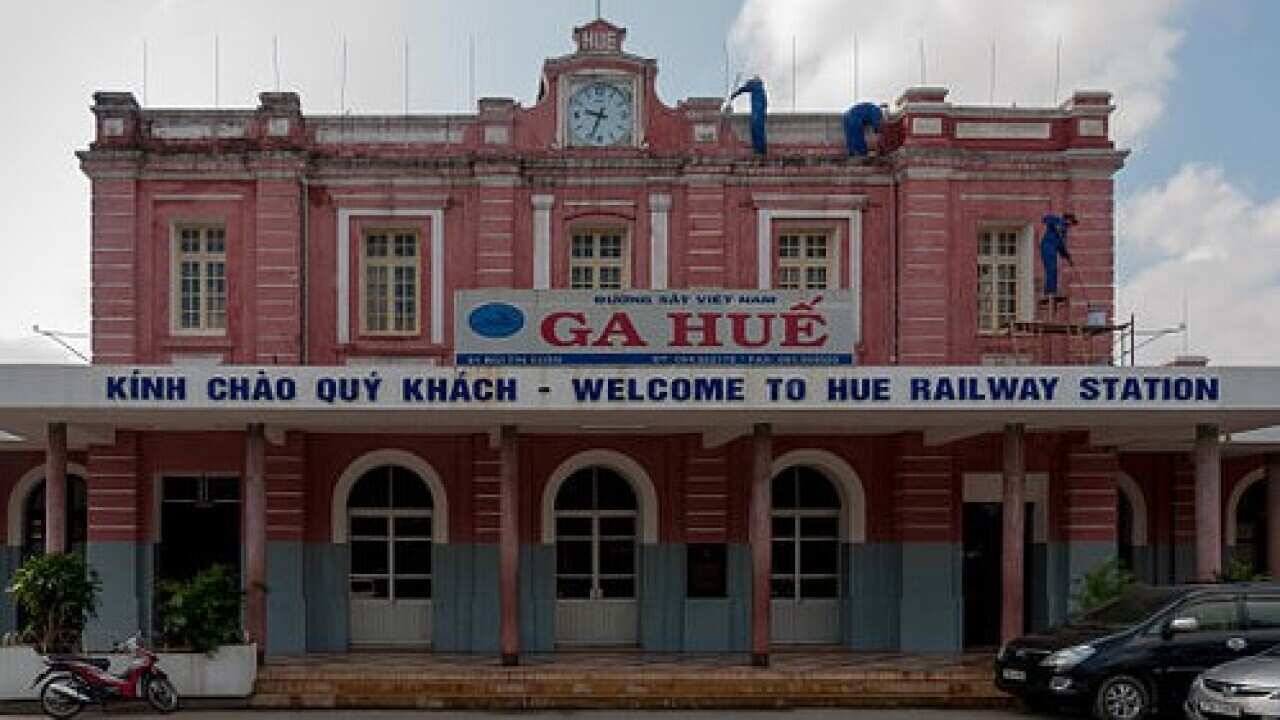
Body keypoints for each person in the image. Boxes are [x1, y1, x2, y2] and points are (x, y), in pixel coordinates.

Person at [1040, 213, 1078, 297]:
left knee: (1054, 269)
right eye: (1071, 223)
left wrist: (1068, 258)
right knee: (1051, 268)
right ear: (1068, 220)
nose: (1071, 226)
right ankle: (1050, 291)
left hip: (1053, 250)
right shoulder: (1057, 220)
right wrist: (1055, 225)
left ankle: (1052, 290)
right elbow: (1045, 218)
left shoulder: (1063, 233)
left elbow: (1062, 247)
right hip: (1047, 247)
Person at [730, 76, 768, 155]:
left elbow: (743, 89)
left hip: (757, 111)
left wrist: (733, 95)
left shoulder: (755, 86)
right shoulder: (761, 90)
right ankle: (761, 149)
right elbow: (765, 103)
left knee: (756, 128)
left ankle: (758, 149)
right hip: (759, 112)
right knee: (759, 129)